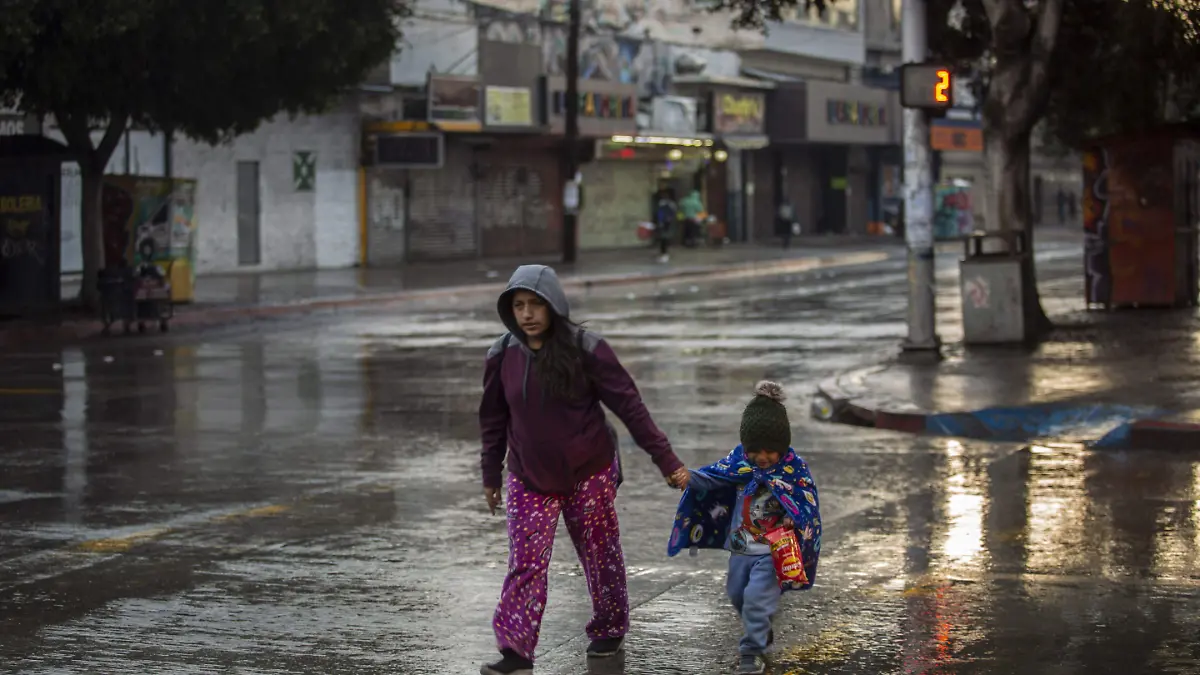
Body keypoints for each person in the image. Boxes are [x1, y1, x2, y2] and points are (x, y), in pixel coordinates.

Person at [480, 264, 690, 675]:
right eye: (519, 306)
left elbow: (630, 406)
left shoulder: (587, 348)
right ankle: (516, 651)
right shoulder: (501, 355)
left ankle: (609, 628)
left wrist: (666, 460)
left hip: (588, 470)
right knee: (526, 560)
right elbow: (492, 420)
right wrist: (490, 474)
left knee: (599, 552)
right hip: (528, 475)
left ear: (554, 305)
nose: (527, 314)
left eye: (536, 304)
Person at [667, 381, 822, 675]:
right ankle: (760, 630)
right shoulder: (740, 462)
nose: (762, 457)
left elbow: (806, 500)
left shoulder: (793, 468)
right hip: (741, 547)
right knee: (737, 593)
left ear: (783, 446)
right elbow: (714, 477)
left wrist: (793, 517)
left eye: (770, 451)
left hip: (774, 552)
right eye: (755, 450)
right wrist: (689, 478)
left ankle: (751, 651)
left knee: (755, 599)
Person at [653, 187, 678, 263]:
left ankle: (664, 255)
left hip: (664, 223)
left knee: (663, 239)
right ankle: (664, 254)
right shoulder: (672, 204)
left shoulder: (663, 204)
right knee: (664, 239)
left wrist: (659, 222)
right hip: (668, 223)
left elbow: (660, 214)